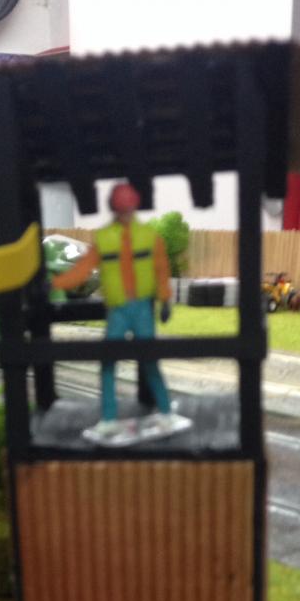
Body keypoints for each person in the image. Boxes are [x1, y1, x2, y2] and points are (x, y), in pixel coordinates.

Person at [52, 182, 183, 442]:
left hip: (142, 308)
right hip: (118, 311)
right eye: (121, 209)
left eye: (128, 209)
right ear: (114, 209)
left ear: (134, 208)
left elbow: (160, 269)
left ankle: (166, 412)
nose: (125, 214)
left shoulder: (149, 237)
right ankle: (109, 419)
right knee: (108, 361)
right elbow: (82, 269)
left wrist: (166, 300)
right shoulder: (104, 239)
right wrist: (54, 283)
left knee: (150, 360)